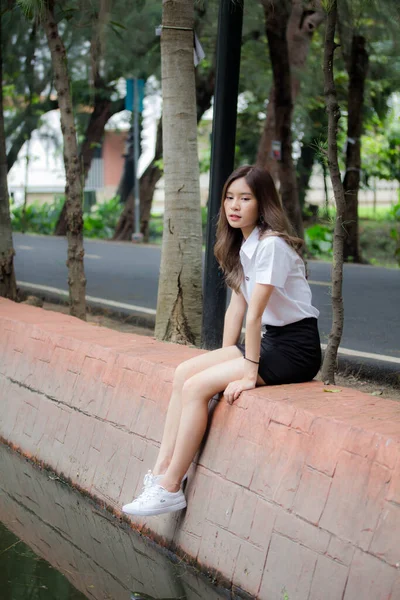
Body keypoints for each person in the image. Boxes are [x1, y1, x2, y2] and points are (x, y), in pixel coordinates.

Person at [122, 165, 321, 518]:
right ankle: (159, 473)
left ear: (263, 204)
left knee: (199, 387)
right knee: (185, 372)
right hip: (273, 341)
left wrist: (246, 374)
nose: (234, 205)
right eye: (230, 198)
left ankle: (171, 487)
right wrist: (225, 355)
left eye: (245, 198)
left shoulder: (271, 246)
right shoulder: (246, 245)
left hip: (296, 349)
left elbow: (255, 316)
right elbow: (237, 307)